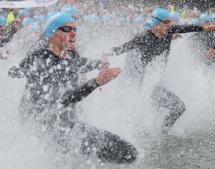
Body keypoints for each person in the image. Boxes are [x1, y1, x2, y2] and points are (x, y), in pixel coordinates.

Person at [8, 12, 137, 164]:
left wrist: (99, 64)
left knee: (127, 153)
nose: (74, 32)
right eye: (67, 29)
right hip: (47, 131)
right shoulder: (41, 61)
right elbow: (62, 100)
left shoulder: (69, 54)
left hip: (68, 125)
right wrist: (96, 82)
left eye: (75, 29)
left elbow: (78, 63)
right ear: (52, 33)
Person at [103, 8, 215, 132]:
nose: (169, 25)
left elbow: (187, 28)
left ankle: (163, 131)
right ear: (156, 23)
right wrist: (106, 54)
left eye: (170, 22)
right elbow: (123, 48)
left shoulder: (169, 32)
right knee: (170, 108)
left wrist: (204, 28)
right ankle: (145, 131)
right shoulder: (143, 38)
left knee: (179, 108)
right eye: (166, 22)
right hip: (145, 85)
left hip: (156, 83)